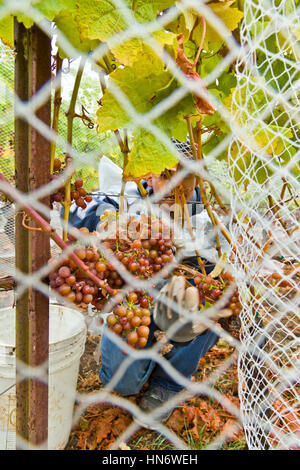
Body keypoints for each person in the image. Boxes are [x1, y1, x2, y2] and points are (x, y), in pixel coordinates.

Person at [67, 140, 232, 424]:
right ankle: (132, 364)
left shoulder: (211, 212)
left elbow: (225, 280)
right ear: (149, 175)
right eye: (165, 175)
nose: (174, 187)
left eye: (185, 176)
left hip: (180, 300)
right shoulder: (131, 195)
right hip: (138, 299)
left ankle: (168, 383)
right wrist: (104, 225)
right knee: (122, 384)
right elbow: (80, 211)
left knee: (207, 302)